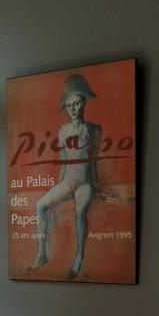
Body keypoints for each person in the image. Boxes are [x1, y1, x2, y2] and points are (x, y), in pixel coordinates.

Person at [31, 73, 100, 278]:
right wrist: (57, 188)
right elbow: (63, 161)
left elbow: (94, 161)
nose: (73, 109)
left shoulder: (94, 130)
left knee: (80, 212)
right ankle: (41, 255)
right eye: (69, 105)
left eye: (76, 103)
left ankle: (78, 257)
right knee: (40, 205)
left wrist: (96, 186)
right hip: (67, 182)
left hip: (84, 184)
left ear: (84, 102)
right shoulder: (62, 131)